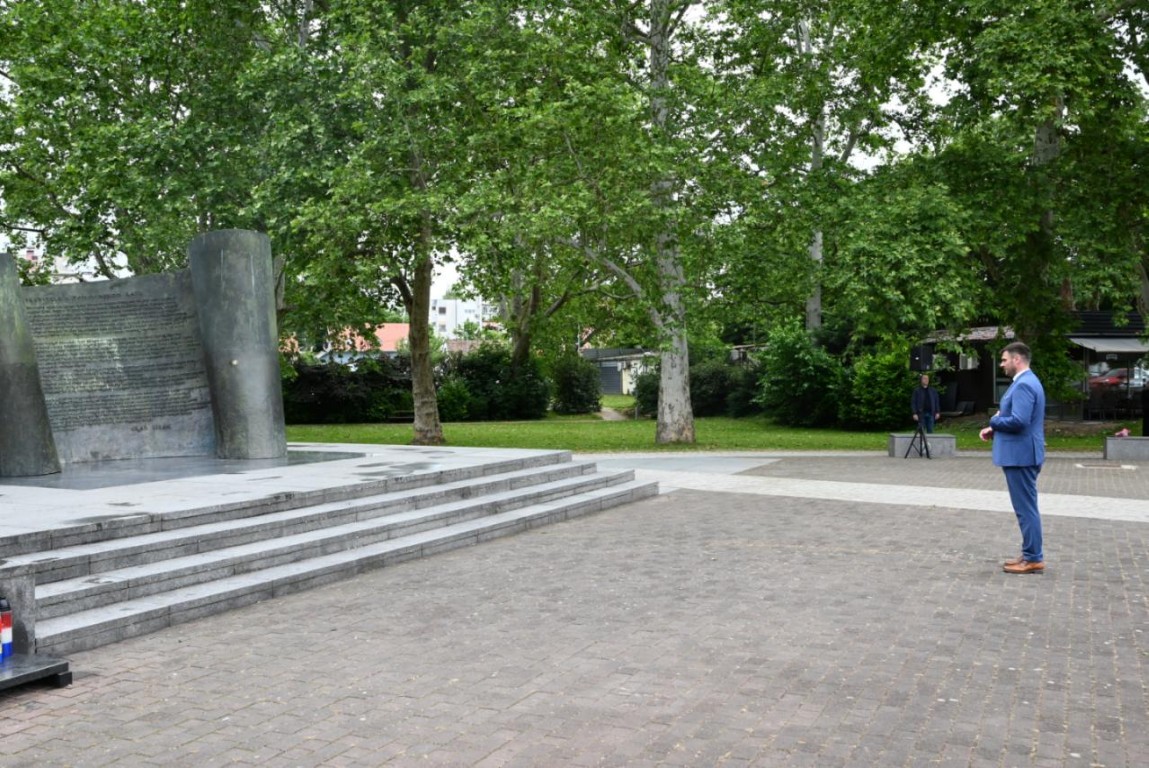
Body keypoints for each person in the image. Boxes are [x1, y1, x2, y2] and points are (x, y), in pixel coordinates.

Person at [979, 341, 1046, 574]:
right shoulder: (1026, 382)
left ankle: (1033, 558)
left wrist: (994, 421)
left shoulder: (1024, 384)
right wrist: (995, 429)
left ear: (1017, 359)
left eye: (1004, 360)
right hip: (1023, 453)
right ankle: (1030, 553)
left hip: (1021, 456)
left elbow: (1019, 421)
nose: (1002, 364)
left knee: (1026, 509)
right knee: (1026, 508)